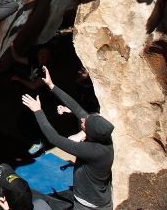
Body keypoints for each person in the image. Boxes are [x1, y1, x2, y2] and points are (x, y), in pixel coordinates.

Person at [21, 66, 114, 210]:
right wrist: (52, 85)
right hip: (100, 196)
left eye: (84, 123)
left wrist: (37, 111)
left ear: (91, 134)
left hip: (89, 204)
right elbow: (77, 108)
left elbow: (55, 139)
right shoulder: (102, 138)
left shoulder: (93, 151)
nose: (82, 119)